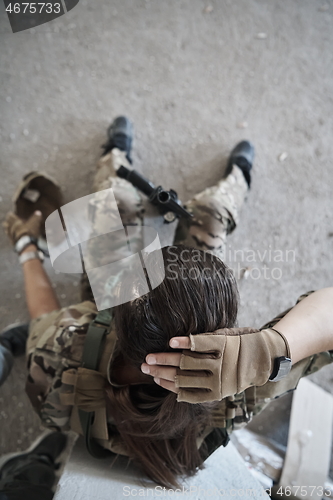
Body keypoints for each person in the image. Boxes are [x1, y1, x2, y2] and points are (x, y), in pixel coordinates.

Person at [1, 117, 333, 491]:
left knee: (116, 200)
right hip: (167, 312)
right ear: (223, 335)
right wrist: (271, 349)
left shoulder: (64, 349)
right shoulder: (235, 395)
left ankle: (113, 156)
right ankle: (239, 175)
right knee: (211, 214)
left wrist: (27, 249)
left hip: (123, 315)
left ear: (119, 310)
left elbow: (43, 317)